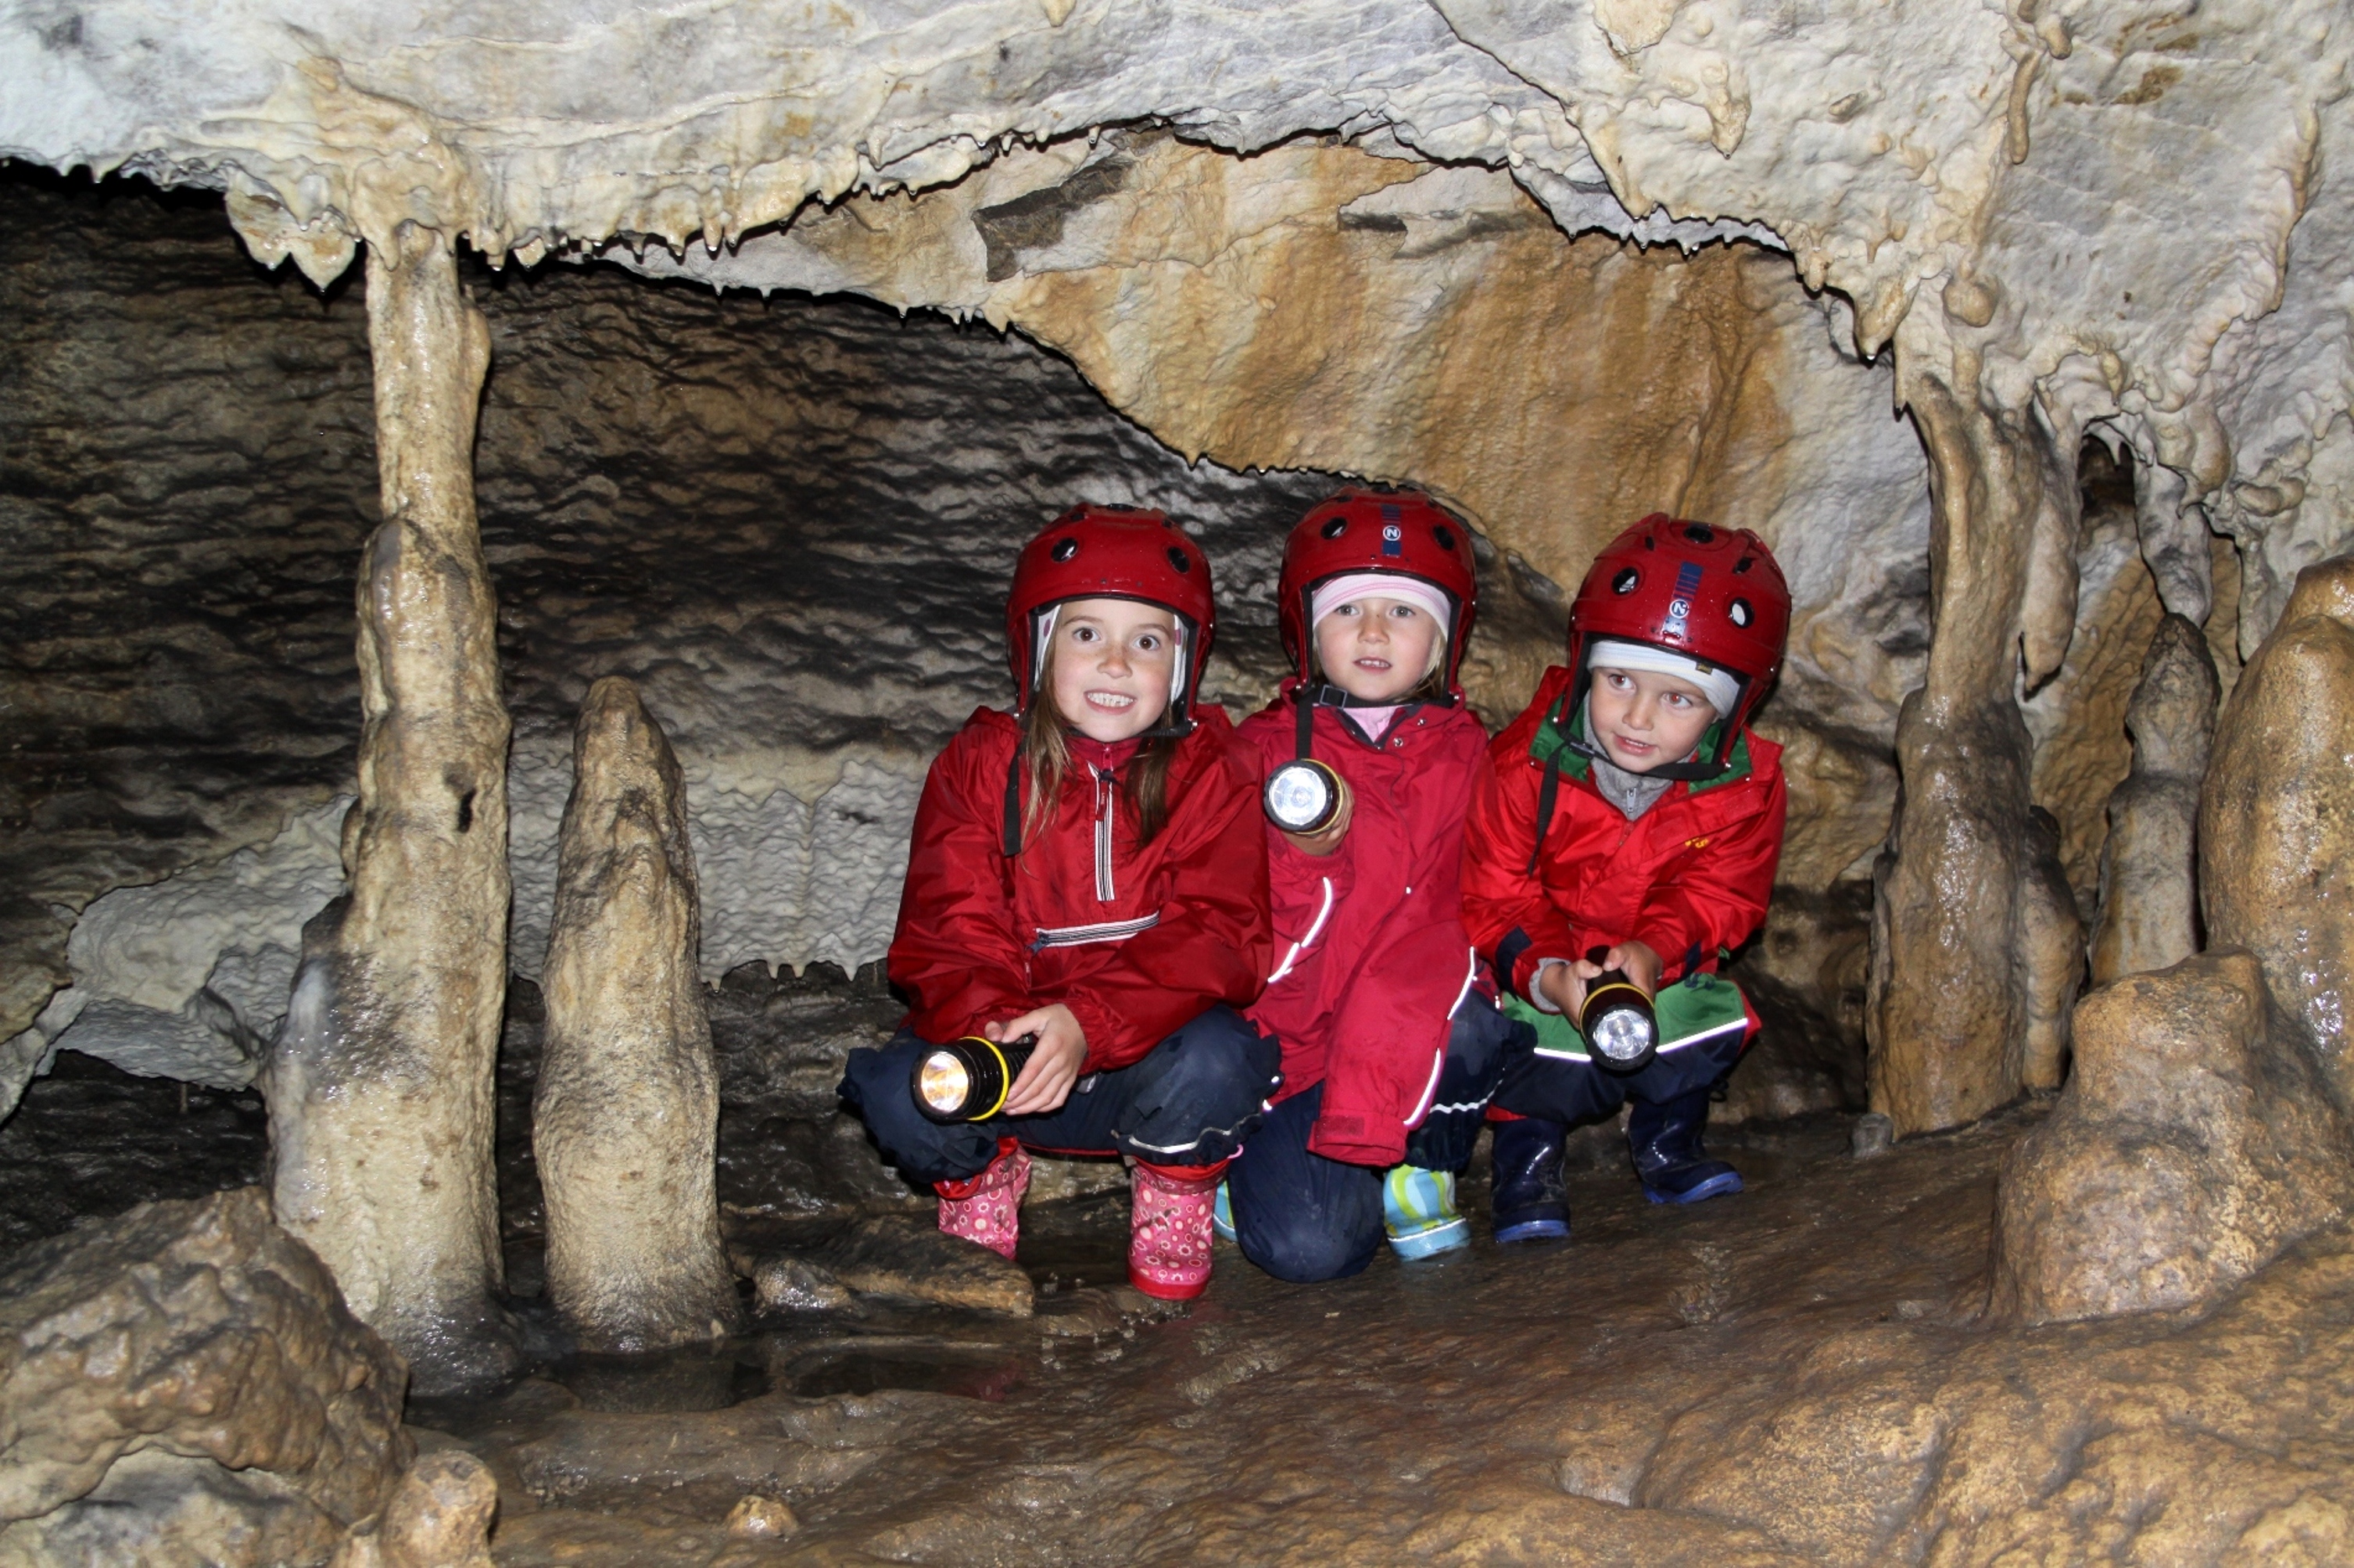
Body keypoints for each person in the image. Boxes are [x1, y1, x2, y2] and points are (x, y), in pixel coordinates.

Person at [840, 504, 1277, 1301]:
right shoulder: (978, 765)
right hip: (1011, 1057)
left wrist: (1088, 1023)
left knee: (1223, 1054)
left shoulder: (1212, 767)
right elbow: (949, 928)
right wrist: (997, 1028)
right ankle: (979, 1181)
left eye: (1146, 641)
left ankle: (1174, 1184)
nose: (1115, 663)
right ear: (1038, 647)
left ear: (1180, 666)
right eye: (1085, 634)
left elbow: (1221, 931)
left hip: (1142, 1057)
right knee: (900, 1086)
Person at [1221, 489, 1523, 1281]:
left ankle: (1421, 1159)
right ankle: (1240, 1171)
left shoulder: (1472, 757)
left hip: (1411, 1027)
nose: (1374, 632)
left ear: (1441, 642)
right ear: (1308, 630)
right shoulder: (1256, 753)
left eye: (1403, 611)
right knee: (1312, 1249)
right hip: (1297, 1043)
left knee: (1475, 1022)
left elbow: (1497, 889)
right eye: (1348, 609)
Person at [1462, 513, 1790, 1240]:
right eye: (1617, 680)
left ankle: (1669, 1140)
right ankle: (1527, 1163)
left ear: (1725, 710)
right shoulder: (1529, 762)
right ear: (1585, 666)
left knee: (1709, 1016)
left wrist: (1653, 952)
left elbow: (1722, 893)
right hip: (1549, 956)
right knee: (1523, 1036)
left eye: (1677, 698)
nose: (1636, 717)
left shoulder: (1743, 785)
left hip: (1650, 960)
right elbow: (1494, 890)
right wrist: (1548, 973)